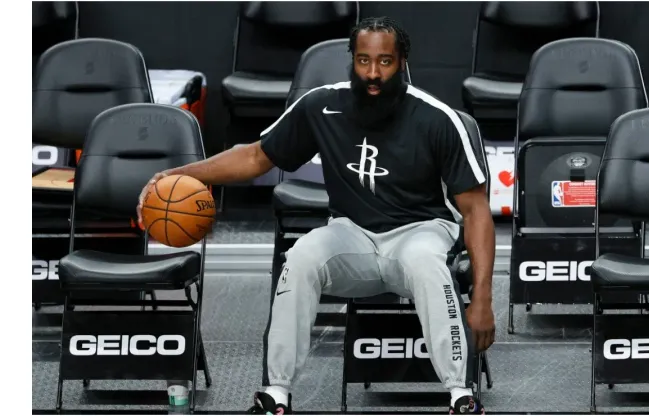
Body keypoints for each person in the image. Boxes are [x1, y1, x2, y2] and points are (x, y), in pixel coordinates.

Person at [138, 16, 496, 415]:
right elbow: (256, 156)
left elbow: (476, 211)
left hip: (421, 231)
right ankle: (276, 392)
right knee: (302, 256)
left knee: (426, 262)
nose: (373, 74)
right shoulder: (322, 105)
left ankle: (460, 395)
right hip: (352, 233)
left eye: (384, 62)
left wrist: (482, 297)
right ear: (352, 60)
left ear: (403, 62)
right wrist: (178, 174)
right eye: (363, 61)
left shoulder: (437, 119)